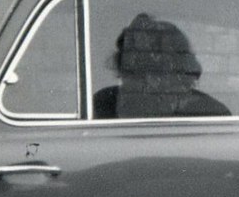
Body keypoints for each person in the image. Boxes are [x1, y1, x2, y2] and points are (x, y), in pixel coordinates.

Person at [93, 13, 230, 119]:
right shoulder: (103, 104)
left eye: (155, 71)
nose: (145, 82)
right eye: (132, 73)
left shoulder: (208, 113)